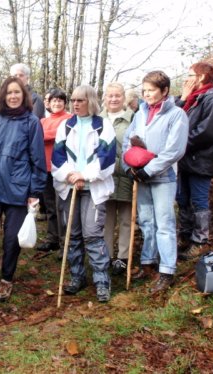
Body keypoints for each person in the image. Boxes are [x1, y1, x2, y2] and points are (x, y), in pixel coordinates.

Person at [0, 76, 46, 302]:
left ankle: (6, 279)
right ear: (3, 96)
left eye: (17, 93)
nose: (13, 97)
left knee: (11, 238)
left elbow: (38, 160)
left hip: (18, 188)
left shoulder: (31, 122)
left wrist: (34, 192)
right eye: (9, 93)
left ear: (24, 96)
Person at [122, 71, 188, 293]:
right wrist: (130, 166)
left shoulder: (176, 115)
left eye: (151, 90)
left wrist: (149, 170)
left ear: (165, 91)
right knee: (147, 222)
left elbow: (174, 151)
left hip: (162, 178)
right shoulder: (140, 113)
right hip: (140, 176)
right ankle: (148, 262)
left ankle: (167, 270)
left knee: (164, 224)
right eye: (145, 90)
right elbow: (127, 141)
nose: (147, 94)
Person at [51, 85, 116, 303]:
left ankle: (102, 281)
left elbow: (107, 159)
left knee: (92, 234)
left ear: (91, 101)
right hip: (69, 188)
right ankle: (77, 276)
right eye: (74, 100)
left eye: (81, 100)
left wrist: (84, 176)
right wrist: (70, 175)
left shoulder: (103, 126)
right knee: (73, 235)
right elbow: (57, 158)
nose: (76, 104)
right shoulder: (66, 126)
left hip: (93, 189)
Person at [175, 62, 213, 260]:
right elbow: (174, 118)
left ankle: (200, 242)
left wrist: (180, 144)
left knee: (198, 202)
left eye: (190, 75)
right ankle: (185, 237)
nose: (187, 79)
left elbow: (208, 132)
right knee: (182, 199)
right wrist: (183, 98)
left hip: (200, 161)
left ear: (202, 77)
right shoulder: (193, 99)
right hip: (185, 160)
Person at [100, 82, 135, 275]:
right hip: (104, 179)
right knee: (106, 219)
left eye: (117, 96)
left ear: (124, 98)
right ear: (105, 97)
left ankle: (123, 257)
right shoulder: (98, 119)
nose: (113, 99)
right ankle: (105, 255)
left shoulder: (133, 119)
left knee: (126, 219)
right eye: (110, 95)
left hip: (127, 176)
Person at [37, 89, 72, 255]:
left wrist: (44, 135)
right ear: (48, 103)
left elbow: (61, 134)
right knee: (50, 205)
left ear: (65, 103)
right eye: (54, 101)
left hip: (62, 169)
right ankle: (52, 238)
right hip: (45, 168)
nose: (57, 103)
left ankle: (65, 241)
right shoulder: (43, 120)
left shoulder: (70, 118)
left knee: (62, 206)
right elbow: (36, 137)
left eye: (60, 101)